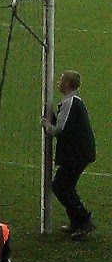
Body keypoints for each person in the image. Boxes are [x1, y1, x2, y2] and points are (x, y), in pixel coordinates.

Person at [43, 69, 97, 239]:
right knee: (65, 186)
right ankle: (77, 222)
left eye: (61, 79)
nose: (58, 82)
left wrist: (47, 125)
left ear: (67, 84)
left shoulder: (71, 102)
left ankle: (83, 221)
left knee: (61, 186)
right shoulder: (70, 102)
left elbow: (61, 129)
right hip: (77, 153)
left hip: (77, 154)